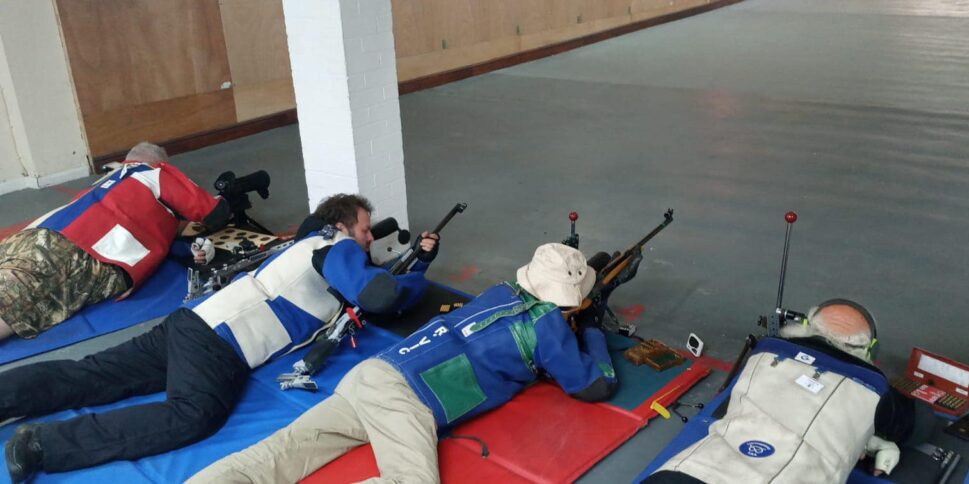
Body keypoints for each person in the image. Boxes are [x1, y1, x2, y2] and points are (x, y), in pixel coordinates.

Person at [1, 194, 440, 483]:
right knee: (194, 415)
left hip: (190, 323)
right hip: (218, 345)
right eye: (366, 230)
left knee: (95, 374)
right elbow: (378, 294)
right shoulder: (337, 246)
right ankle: (44, 444)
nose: (368, 240)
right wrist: (416, 278)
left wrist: (415, 262)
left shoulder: (301, 246)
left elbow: (365, 290)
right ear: (343, 226)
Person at [187, 243, 619, 484]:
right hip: (409, 400)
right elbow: (593, 386)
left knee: (280, 453)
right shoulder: (549, 325)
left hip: (375, 373)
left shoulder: (501, 291)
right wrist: (594, 330)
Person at [643, 299, 936, 484]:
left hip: (686, 474)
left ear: (806, 326)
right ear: (870, 350)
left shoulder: (761, 355)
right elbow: (921, 423)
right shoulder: (875, 390)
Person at [0, 142, 230, 341]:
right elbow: (215, 214)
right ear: (160, 163)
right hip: (81, 251)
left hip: (34, 234)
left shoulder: (109, 177)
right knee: (12, 301)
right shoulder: (156, 172)